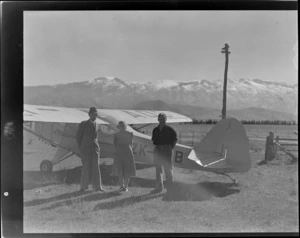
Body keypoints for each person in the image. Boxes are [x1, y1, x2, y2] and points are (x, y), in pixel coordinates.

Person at [76, 107, 105, 192]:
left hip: (95, 149)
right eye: (93, 114)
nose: (95, 116)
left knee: (96, 167)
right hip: (85, 149)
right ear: (89, 114)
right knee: (85, 167)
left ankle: (98, 187)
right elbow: (78, 136)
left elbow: (96, 137)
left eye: (96, 114)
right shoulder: (83, 123)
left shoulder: (97, 124)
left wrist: (97, 147)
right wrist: (81, 147)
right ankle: (83, 187)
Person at [151, 113, 177, 193]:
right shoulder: (155, 130)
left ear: (166, 119)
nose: (161, 120)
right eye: (160, 119)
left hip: (167, 150)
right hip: (158, 149)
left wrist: (169, 148)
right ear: (158, 120)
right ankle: (159, 188)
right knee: (158, 169)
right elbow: (153, 140)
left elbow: (175, 139)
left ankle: (170, 188)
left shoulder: (170, 129)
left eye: (163, 119)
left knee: (168, 169)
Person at [112, 121, 136, 192]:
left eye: (121, 126)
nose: (121, 127)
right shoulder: (130, 134)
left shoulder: (116, 135)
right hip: (127, 151)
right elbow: (131, 144)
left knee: (120, 169)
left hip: (120, 151)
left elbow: (115, 144)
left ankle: (123, 186)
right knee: (126, 170)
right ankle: (125, 186)